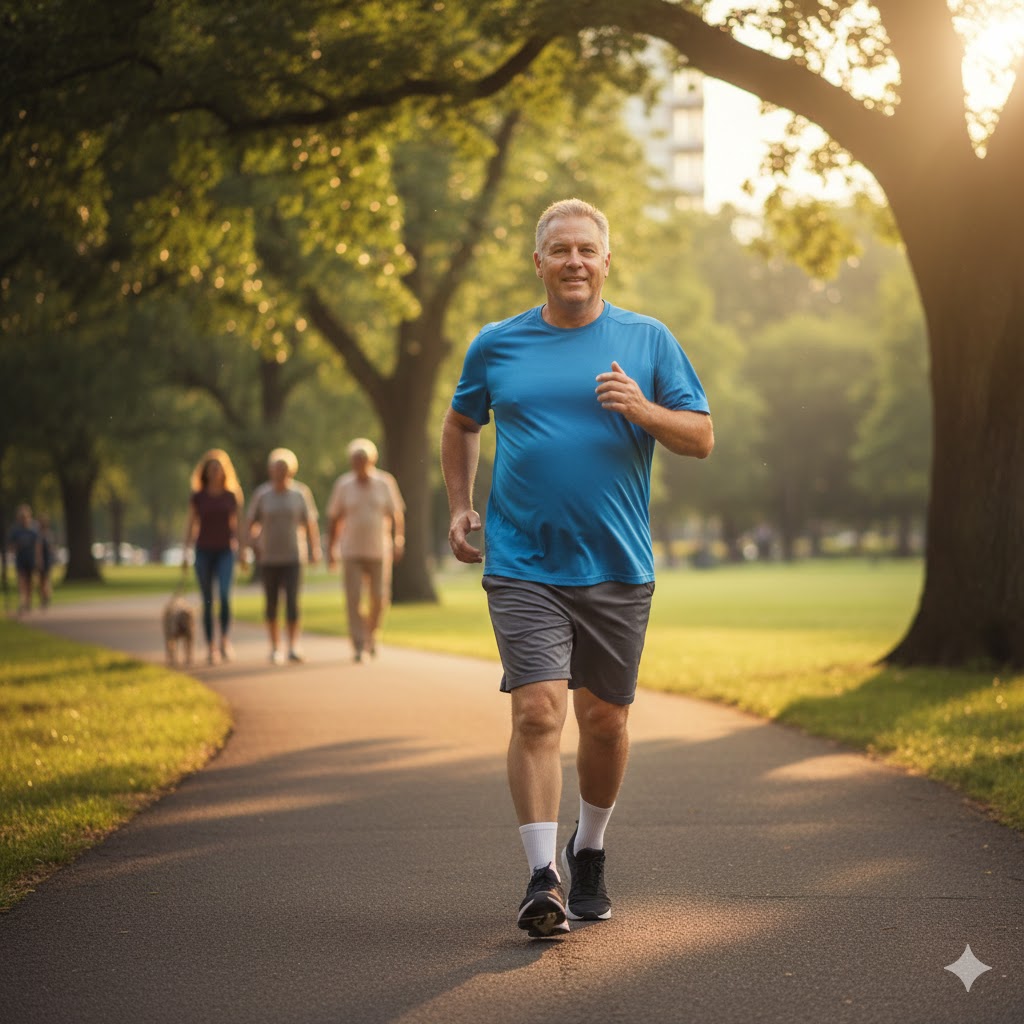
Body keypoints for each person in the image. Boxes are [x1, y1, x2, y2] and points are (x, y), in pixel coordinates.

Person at [441, 198, 713, 939]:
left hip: (617, 564)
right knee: (537, 712)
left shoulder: (647, 340)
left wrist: (644, 410)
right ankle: (543, 878)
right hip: (523, 562)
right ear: (538, 262)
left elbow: (701, 437)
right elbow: (461, 422)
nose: (574, 262)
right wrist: (461, 505)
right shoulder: (497, 345)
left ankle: (587, 849)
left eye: (586, 250)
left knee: (605, 720)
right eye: (559, 250)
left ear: (606, 261)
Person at [326, 438, 406, 663]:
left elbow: (396, 515)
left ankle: (372, 635)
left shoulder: (385, 482)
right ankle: (359, 643)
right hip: (351, 550)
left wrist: (398, 540)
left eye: (362, 459)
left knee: (379, 597)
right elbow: (334, 518)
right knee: (353, 598)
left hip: (379, 549)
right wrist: (331, 548)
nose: (358, 463)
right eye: (355, 459)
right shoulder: (343, 485)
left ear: (371, 460)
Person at [245, 447, 321, 664]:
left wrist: (315, 549)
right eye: (276, 468)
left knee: (292, 603)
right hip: (269, 556)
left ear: (291, 471)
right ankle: (275, 646)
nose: (280, 472)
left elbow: (310, 523)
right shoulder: (262, 494)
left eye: (284, 468)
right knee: (271, 603)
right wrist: (250, 543)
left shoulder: (300, 493)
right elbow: (251, 523)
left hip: (294, 555)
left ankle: (294, 645)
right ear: (271, 470)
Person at [183, 449, 245, 665]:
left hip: (226, 551)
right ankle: (211, 646)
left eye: (219, 468)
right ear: (206, 472)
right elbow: (191, 524)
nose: (215, 472)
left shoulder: (232, 495)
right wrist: (185, 552)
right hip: (203, 551)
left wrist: (243, 551)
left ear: (224, 471)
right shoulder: (198, 496)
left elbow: (238, 525)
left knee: (225, 596)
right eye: (212, 468)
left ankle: (224, 640)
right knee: (207, 600)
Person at [7, 504, 40, 615]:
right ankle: (22, 601)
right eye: (21, 517)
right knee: (21, 581)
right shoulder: (15, 530)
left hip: (31, 559)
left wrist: (38, 559)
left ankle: (28, 601)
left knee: (30, 582)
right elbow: (11, 545)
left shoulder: (33, 529)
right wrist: (14, 548)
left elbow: (37, 546)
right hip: (20, 560)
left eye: (25, 516)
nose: (23, 519)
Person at [36, 512, 56, 609]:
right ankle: (45, 597)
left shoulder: (46, 534)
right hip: (44, 560)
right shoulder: (42, 534)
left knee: (44, 580)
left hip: (46, 560)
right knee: (44, 580)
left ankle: (45, 597)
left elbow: (49, 548)